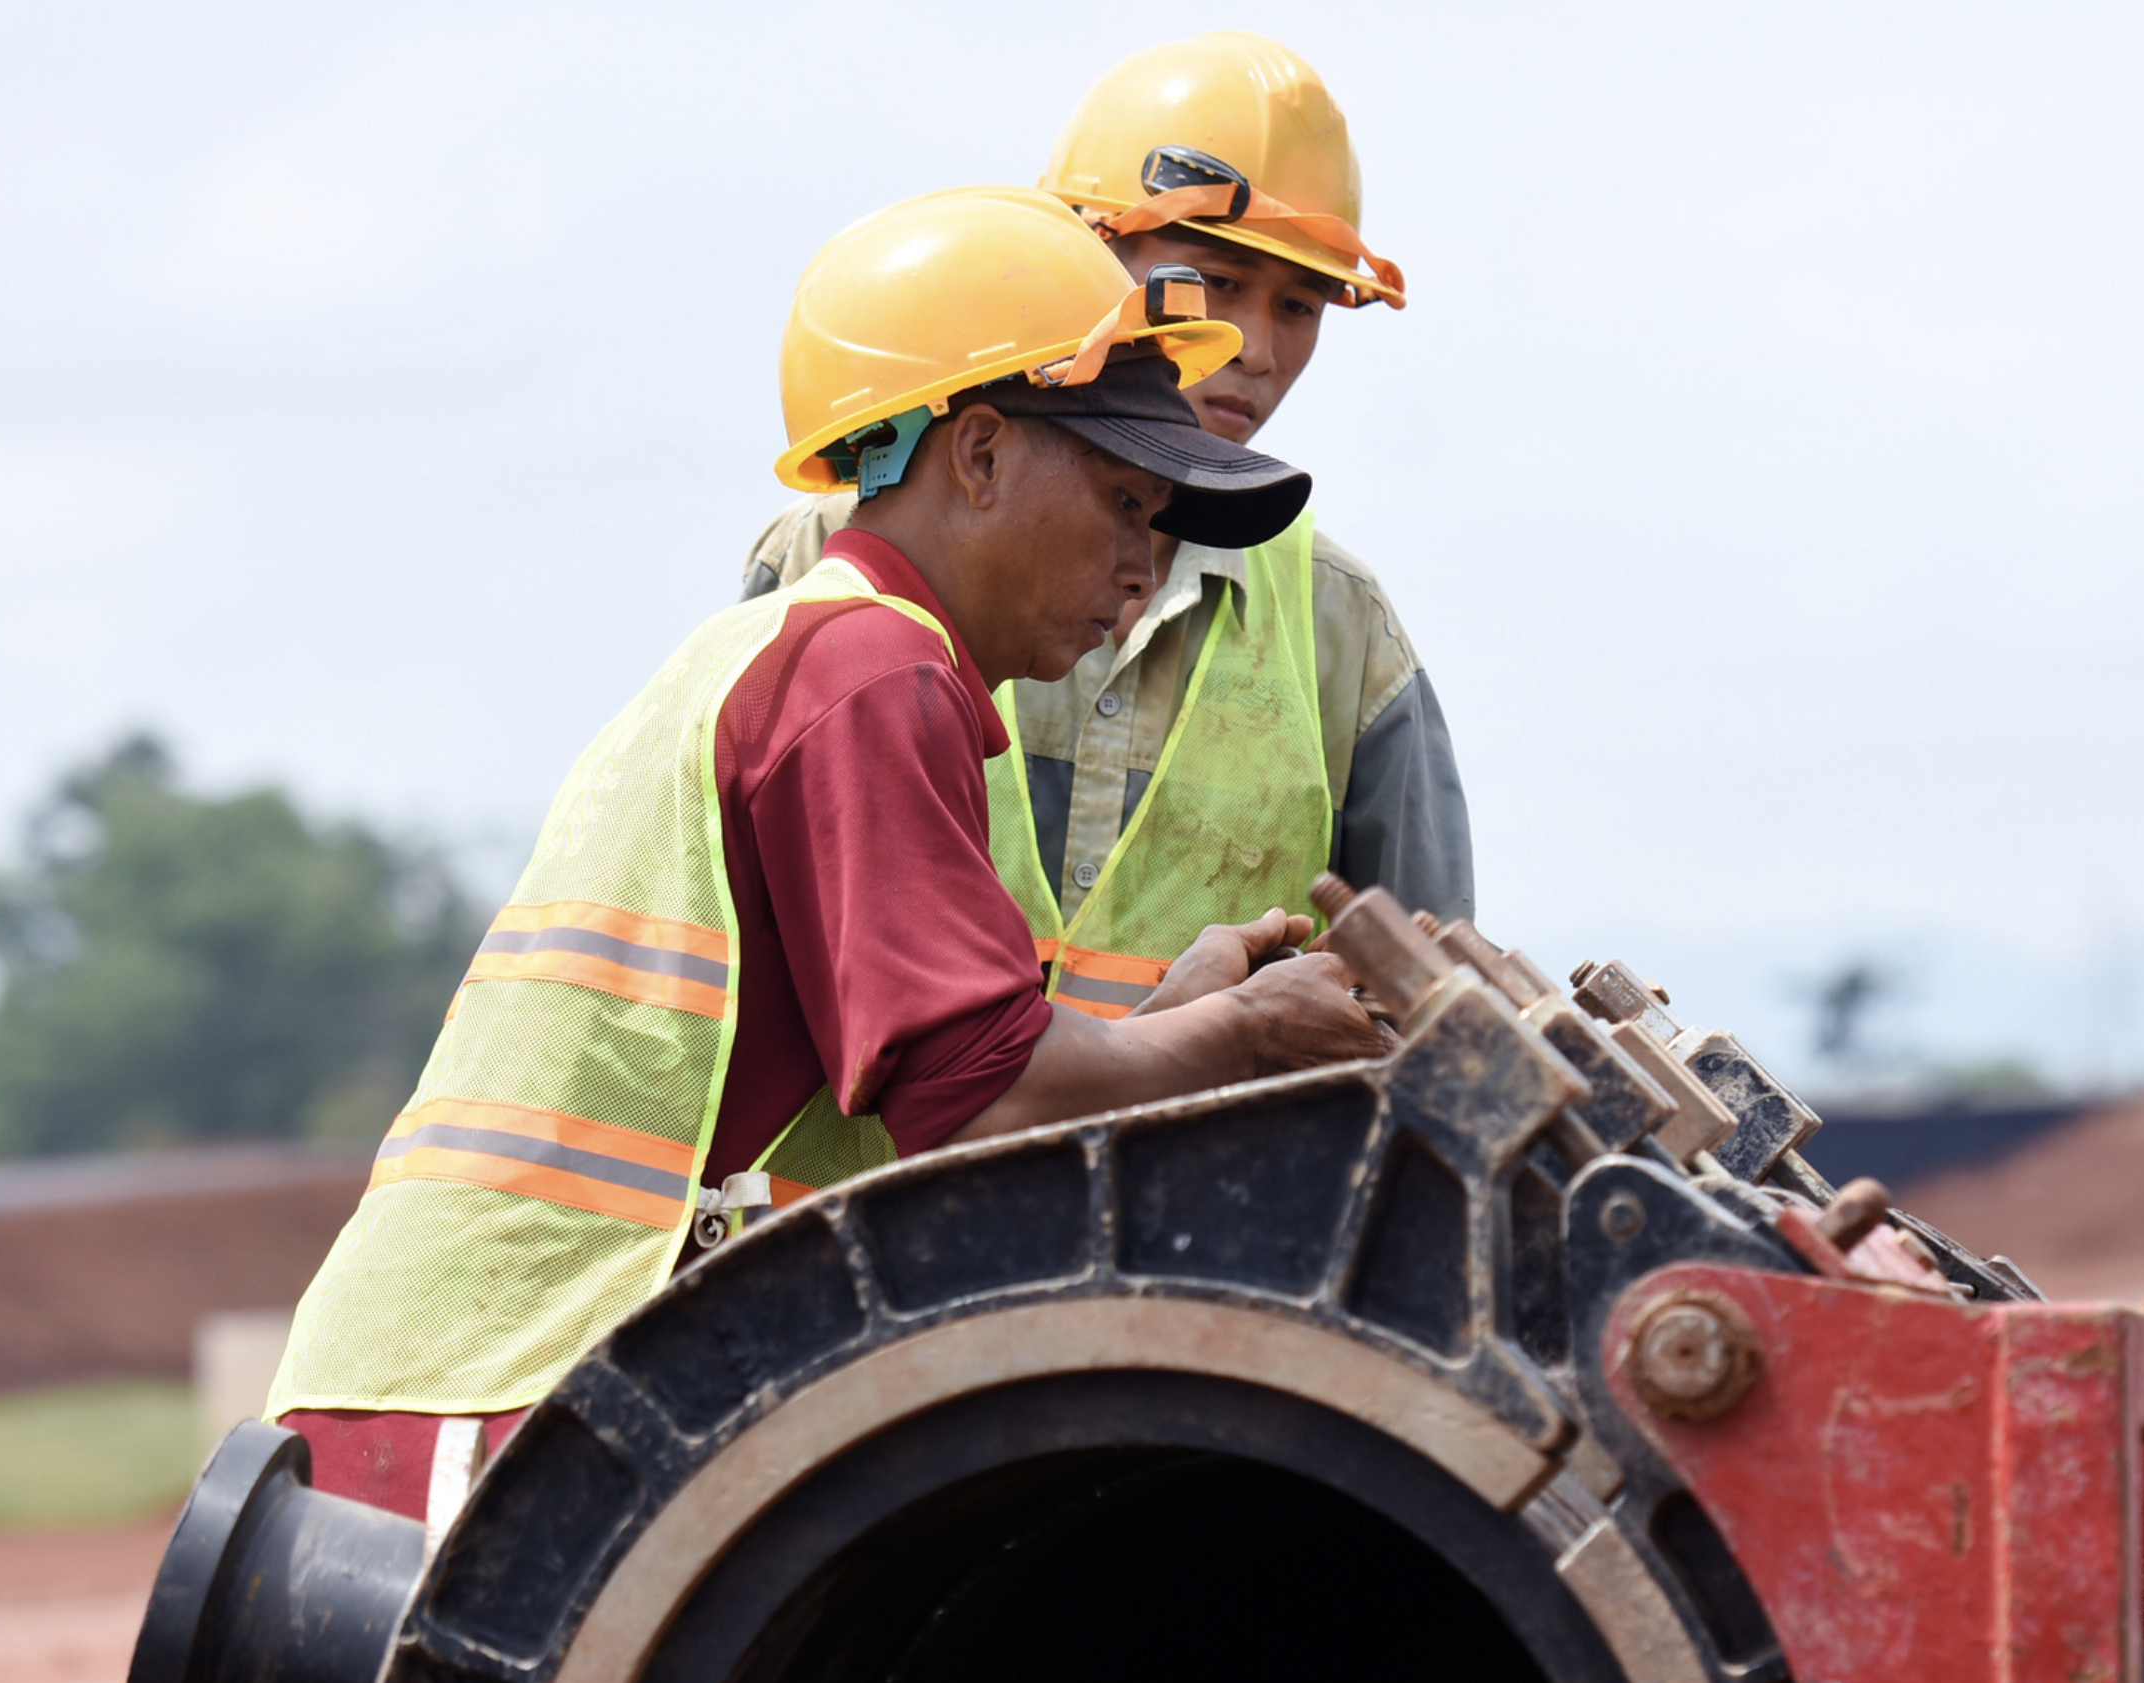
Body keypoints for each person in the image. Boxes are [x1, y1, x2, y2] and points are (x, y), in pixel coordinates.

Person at [265, 186, 1386, 1519]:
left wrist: (1170, 1020)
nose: (1147, 566)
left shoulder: (811, 653)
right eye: (1127, 504)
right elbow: (983, 1105)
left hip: (470, 1377)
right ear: (975, 455)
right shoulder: (868, 678)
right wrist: (1247, 1036)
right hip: (506, 1400)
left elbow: (952, 1091)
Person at [741, 32, 1472, 1019]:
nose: (1254, 348)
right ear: (1081, 257)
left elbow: (1427, 1013)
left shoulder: (1340, 628)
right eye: (1213, 282)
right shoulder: (827, 557)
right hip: (859, 1173)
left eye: (1298, 304)